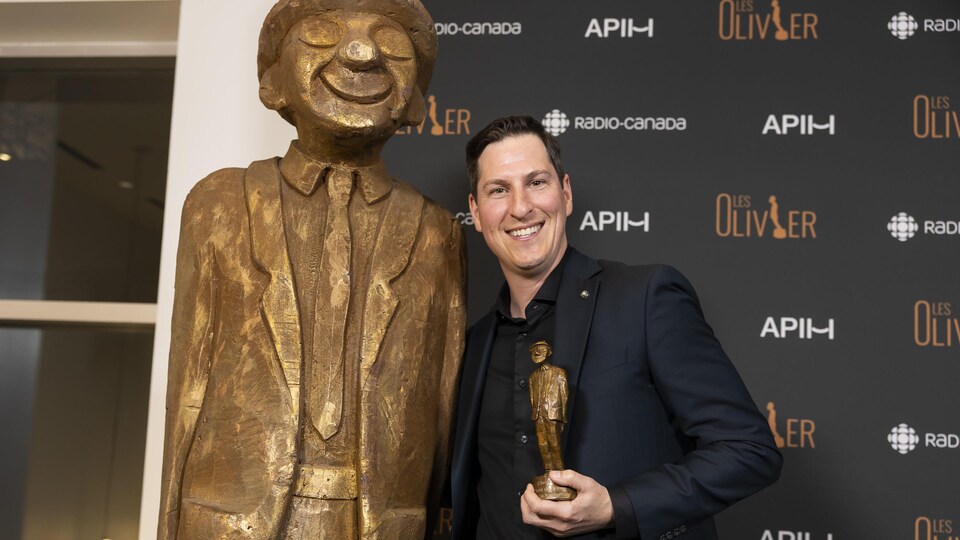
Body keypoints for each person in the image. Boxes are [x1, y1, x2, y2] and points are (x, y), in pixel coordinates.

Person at [158, 1, 465, 539]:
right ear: (274, 81)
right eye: (323, 32)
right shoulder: (218, 204)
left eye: (390, 41)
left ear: (416, 101)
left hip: (379, 524)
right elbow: (187, 384)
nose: (361, 51)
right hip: (229, 521)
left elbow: (441, 414)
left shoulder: (439, 234)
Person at [451, 116, 781, 539]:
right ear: (476, 213)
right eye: (499, 190)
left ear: (565, 194)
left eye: (536, 182)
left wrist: (617, 505)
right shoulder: (472, 346)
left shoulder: (644, 298)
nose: (520, 207)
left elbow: (749, 451)